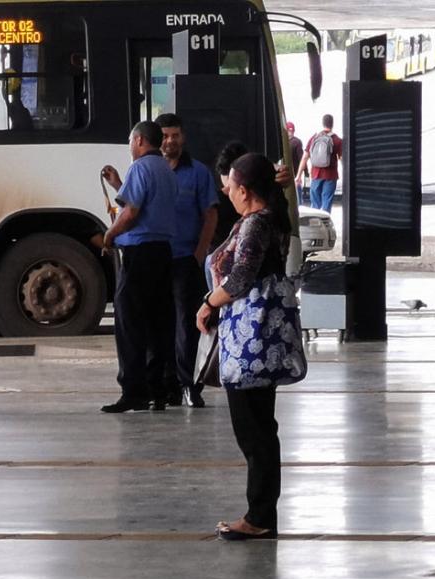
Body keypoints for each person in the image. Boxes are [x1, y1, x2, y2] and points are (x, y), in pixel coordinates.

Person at [196, 153, 291, 541]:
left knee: (253, 431)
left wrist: (207, 304)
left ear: (245, 191)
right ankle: (260, 514)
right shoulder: (267, 219)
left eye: (232, 187)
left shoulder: (255, 224)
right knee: (260, 428)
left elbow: (240, 278)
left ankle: (259, 517)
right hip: (256, 340)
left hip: (251, 341)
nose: (227, 192)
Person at [95, 120, 178, 413]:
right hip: (162, 252)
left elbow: (131, 212)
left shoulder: (141, 167)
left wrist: (110, 234)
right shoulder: (165, 170)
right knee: (157, 323)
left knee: (129, 322)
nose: (131, 147)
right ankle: (159, 389)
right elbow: (147, 202)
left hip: (139, 252)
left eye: (131, 141)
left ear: (140, 140)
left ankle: (133, 391)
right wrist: (119, 184)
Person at [157, 113, 220, 409]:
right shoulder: (147, 170)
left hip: (185, 259)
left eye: (175, 135)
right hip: (154, 258)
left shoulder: (198, 173)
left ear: (183, 138)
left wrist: (199, 254)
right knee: (159, 322)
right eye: (165, 135)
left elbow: (210, 215)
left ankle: (189, 385)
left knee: (187, 323)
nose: (170, 141)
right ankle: (163, 385)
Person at [300, 114, 344, 213]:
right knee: (326, 205)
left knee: (315, 206)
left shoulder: (314, 138)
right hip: (331, 176)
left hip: (316, 175)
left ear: (323, 123)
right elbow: (342, 159)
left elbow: (305, 158)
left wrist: (298, 176)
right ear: (332, 124)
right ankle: (325, 226)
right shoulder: (337, 140)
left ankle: (315, 225)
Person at [286, 121, 306, 205]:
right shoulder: (297, 142)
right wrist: (304, 173)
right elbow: (301, 158)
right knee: (298, 197)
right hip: (296, 173)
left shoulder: (284, 143)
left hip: (287, 172)